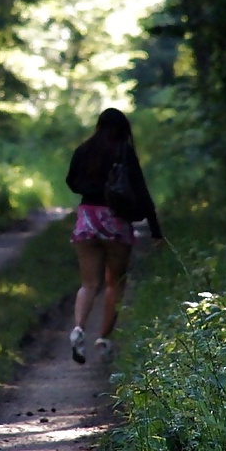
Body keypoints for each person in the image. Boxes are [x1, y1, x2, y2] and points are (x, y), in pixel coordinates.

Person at [65, 108, 163, 365]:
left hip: (87, 219)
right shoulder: (123, 151)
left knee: (88, 284)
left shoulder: (84, 149)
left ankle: (78, 329)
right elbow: (141, 190)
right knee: (114, 283)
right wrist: (155, 230)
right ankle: (104, 339)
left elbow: (71, 182)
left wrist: (92, 190)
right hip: (115, 221)